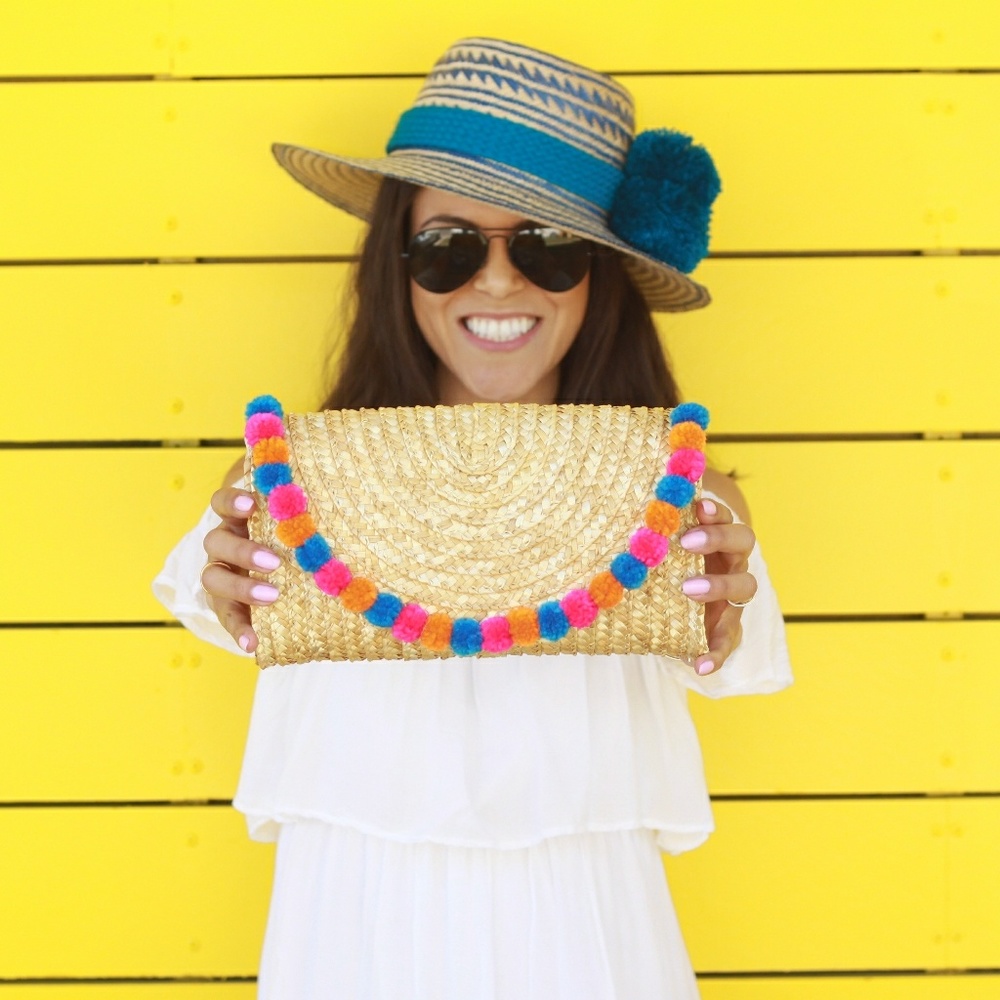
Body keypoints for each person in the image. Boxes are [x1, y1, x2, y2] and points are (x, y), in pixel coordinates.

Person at [154, 37, 792, 1000]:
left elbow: (728, 654)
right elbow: (226, 609)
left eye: (549, 246)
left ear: (603, 275)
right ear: (397, 266)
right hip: (351, 925)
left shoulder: (677, 500)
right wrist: (233, 577)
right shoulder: (294, 486)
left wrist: (719, 609)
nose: (498, 284)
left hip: (584, 930)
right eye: (447, 247)